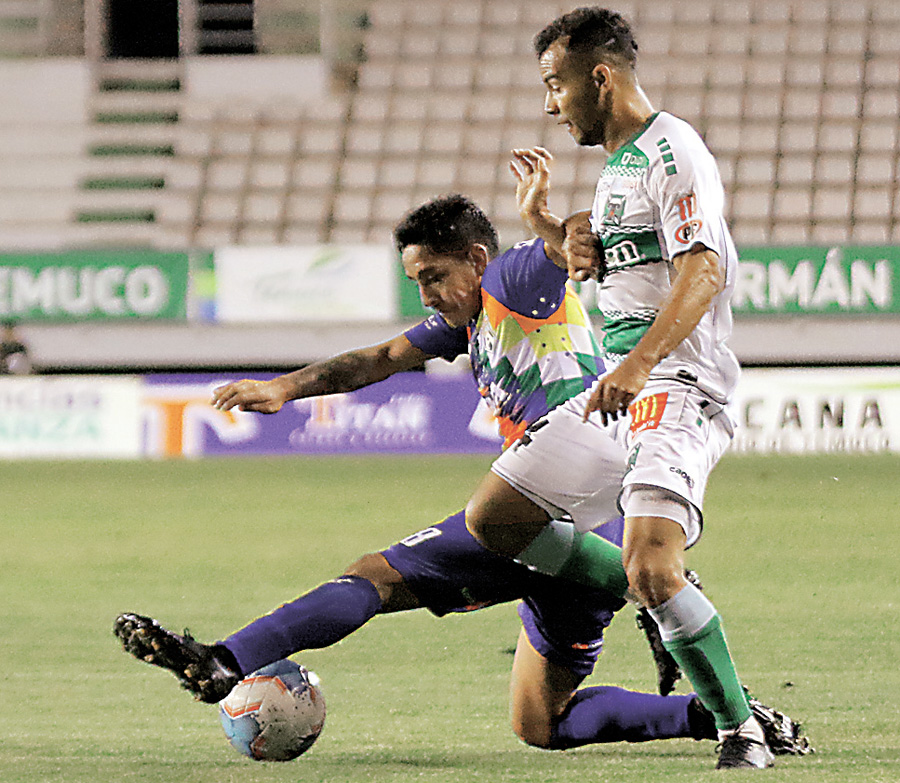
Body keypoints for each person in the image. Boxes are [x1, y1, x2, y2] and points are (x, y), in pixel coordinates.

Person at [113, 194, 808, 756]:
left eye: (433, 278)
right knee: (543, 723)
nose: (427, 296)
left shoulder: (515, 280)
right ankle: (709, 705)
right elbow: (382, 355)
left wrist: (554, 223)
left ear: (477, 260)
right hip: (552, 523)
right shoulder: (470, 323)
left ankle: (224, 660)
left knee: (377, 576)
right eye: (416, 282)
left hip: (554, 503)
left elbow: (567, 243)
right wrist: (284, 388)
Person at [464, 6, 772, 770]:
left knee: (650, 565)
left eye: (555, 83)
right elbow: (606, 272)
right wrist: (549, 226)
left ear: (599, 75)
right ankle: (658, 587)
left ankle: (744, 727)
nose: (549, 102)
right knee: (497, 515)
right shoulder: (616, 170)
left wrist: (635, 367)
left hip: (675, 383)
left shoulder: (675, 151)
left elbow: (704, 270)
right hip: (620, 389)